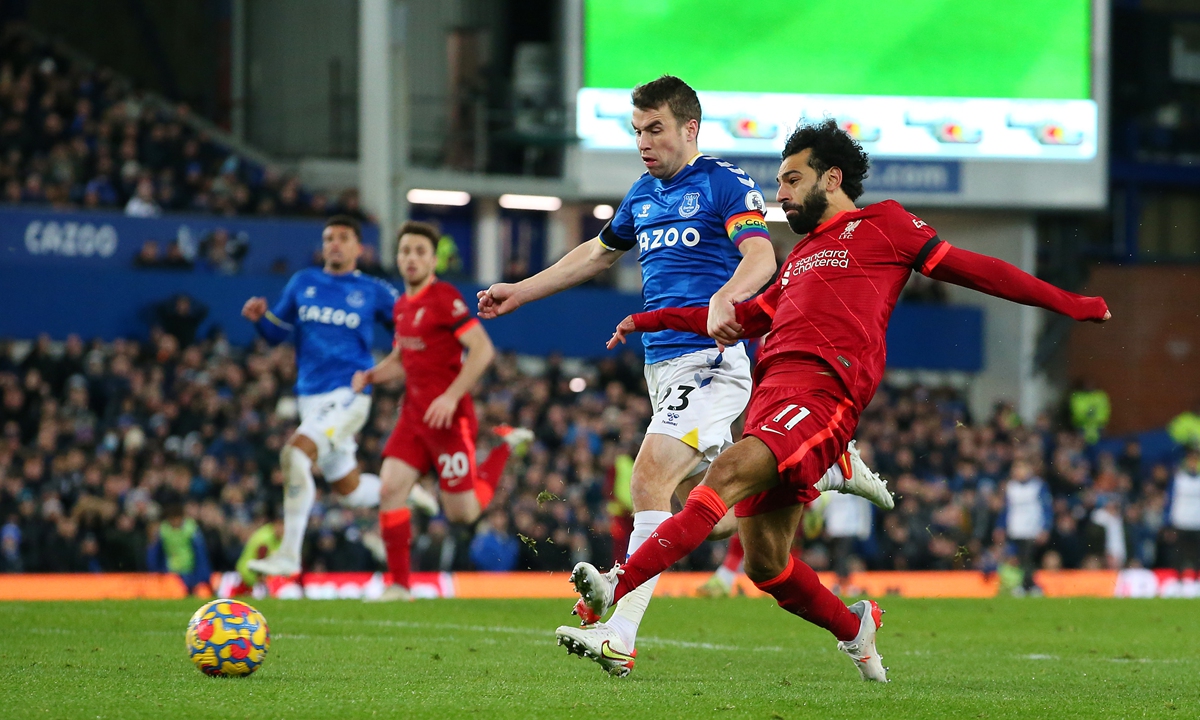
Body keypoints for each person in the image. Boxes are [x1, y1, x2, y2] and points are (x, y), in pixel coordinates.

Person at [568, 119, 1110, 682]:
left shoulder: (887, 225)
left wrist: (1069, 303)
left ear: (832, 178)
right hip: (771, 402)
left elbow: (980, 269)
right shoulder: (800, 258)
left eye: (791, 180)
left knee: (722, 474)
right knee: (765, 565)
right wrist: (645, 318)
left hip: (824, 396)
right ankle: (856, 628)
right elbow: (738, 318)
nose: (779, 194)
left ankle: (618, 587)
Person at [478, 77, 891, 676]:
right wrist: (521, 291)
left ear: (689, 129)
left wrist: (726, 300)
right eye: (638, 131)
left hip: (711, 361)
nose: (644, 142)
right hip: (661, 366)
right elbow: (596, 253)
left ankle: (619, 635)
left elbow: (760, 256)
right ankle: (823, 471)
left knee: (647, 480)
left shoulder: (723, 183)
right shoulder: (641, 195)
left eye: (655, 129)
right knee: (716, 517)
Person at [353, 221, 533, 602]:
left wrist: (451, 397)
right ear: (397, 258)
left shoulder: (444, 297)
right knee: (389, 489)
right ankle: (400, 586)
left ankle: (503, 446)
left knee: (462, 515)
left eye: (420, 251)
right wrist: (371, 374)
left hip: (449, 420)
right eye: (406, 251)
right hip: (414, 417)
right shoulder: (401, 306)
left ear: (433, 259)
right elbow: (402, 358)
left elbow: (482, 350)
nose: (412, 258)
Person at [240, 215, 401, 577]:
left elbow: (406, 329)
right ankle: (406, 490)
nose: (334, 244)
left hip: (350, 393)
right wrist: (259, 318)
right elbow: (275, 334)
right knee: (350, 489)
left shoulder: (373, 290)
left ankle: (289, 554)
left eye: (343, 237)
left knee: (295, 454)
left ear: (359, 248)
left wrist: (394, 365)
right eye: (329, 238)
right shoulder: (304, 282)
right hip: (309, 396)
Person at [996, 459, 1052, 595]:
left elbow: (1047, 508)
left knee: (1027, 557)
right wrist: (1000, 526)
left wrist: (1045, 527)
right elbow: (1005, 509)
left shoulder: (1038, 486)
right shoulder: (1010, 487)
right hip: (1015, 529)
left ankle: (1026, 586)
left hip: (1032, 529)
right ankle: (1028, 585)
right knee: (1017, 558)